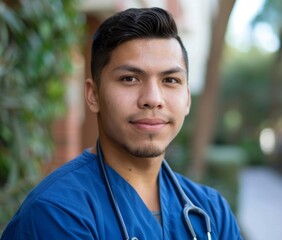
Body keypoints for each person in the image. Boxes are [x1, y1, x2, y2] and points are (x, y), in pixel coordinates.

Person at [1, 7, 243, 240]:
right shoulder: (57, 213)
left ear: (187, 98)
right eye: (130, 78)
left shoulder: (212, 212)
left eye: (170, 80)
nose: (153, 99)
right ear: (93, 95)